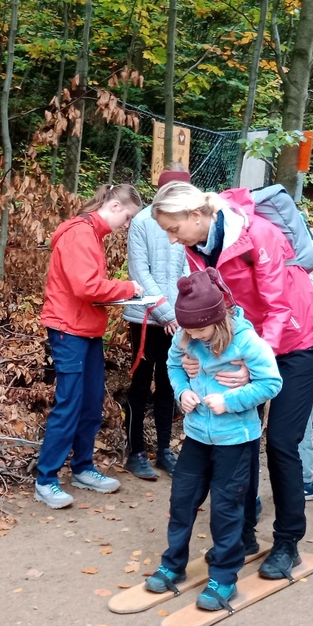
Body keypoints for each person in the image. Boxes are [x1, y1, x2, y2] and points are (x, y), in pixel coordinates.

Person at [150, 181, 313, 583]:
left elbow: (278, 307)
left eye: (173, 229)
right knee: (240, 435)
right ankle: (243, 533)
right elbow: (214, 307)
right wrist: (197, 354)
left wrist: (254, 363)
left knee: (281, 442)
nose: (171, 238)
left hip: (299, 340)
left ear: (195, 215)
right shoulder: (197, 246)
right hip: (245, 341)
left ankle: (287, 542)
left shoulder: (258, 234)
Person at [145, 268, 282, 611]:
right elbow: (173, 366)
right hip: (196, 435)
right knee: (182, 500)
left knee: (225, 509)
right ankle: (173, 564)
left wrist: (230, 401)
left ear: (218, 320)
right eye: (188, 330)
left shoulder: (246, 342)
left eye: (200, 330)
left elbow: (271, 383)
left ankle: (223, 577)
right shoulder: (187, 336)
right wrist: (182, 392)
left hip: (235, 439)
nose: (193, 336)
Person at [36, 183, 144, 509]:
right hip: (68, 331)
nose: (126, 225)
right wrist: (128, 288)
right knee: (69, 403)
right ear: (114, 206)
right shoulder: (79, 234)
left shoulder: (93, 235)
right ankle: (46, 479)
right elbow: (86, 287)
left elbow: (89, 288)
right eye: (127, 217)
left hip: (87, 330)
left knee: (92, 402)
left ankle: (83, 468)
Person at [122, 169, 190, 481]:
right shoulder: (141, 221)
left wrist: (183, 313)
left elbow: (189, 268)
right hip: (146, 317)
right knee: (140, 383)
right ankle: (134, 452)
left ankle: (164, 449)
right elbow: (140, 272)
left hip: (177, 320)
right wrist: (166, 314)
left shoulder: (187, 221)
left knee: (169, 382)